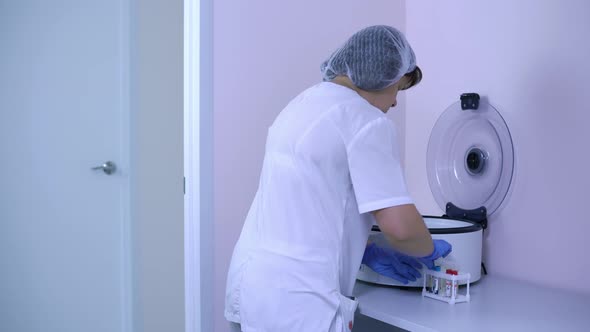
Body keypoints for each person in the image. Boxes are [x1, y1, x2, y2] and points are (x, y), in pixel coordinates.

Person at [225, 25, 452, 332]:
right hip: (301, 302)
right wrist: (426, 249)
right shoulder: (366, 120)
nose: (396, 103)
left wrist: (364, 251)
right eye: (398, 88)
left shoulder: (302, 104)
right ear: (380, 76)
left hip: (252, 284)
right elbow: (400, 227)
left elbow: (304, 203)